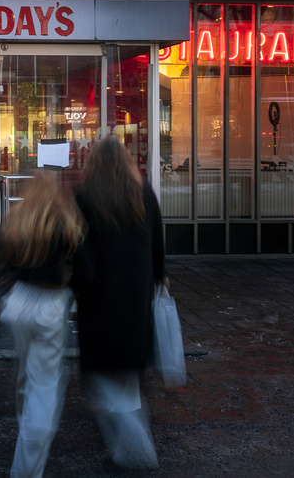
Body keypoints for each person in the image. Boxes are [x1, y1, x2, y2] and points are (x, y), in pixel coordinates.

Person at [72, 135, 166, 469]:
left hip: (100, 301)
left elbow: (81, 253)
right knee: (126, 375)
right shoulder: (143, 192)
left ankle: (136, 447)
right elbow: (158, 242)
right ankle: (123, 446)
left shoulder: (85, 196)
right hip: (135, 298)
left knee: (103, 375)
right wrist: (158, 278)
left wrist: (76, 288)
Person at [0, 170, 84, 478]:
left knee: (27, 371)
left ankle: (26, 427)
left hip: (18, 304)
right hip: (49, 306)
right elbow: (83, 266)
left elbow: (3, 265)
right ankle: (27, 465)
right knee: (44, 385)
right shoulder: (63, 221)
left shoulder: (17, 218)